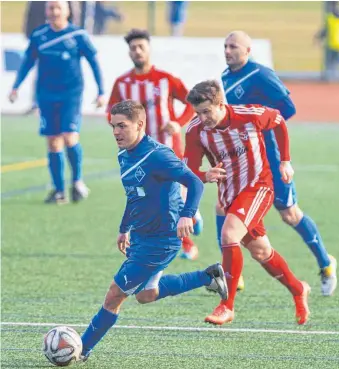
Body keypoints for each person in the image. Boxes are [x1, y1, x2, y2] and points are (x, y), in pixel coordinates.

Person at [79, 100, 228, 360]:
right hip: (140, 236)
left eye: (122, 126)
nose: (116, 132)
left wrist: (187, 215)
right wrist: (124, 228)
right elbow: (134, 195)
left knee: (114, 295)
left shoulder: (157, 154)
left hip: (161, 240)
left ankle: (80, 349)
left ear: (140, 125)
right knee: (147, 295)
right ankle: (209, 276)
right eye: (113, 126)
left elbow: (194, 183)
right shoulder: (124, 155)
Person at [219, 30, 337, 296]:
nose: (227, 51)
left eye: (233, 46)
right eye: (225, 46)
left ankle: (326, 263)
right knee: (224, 207)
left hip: (271, 158)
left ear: (247, 51)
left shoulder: (260, 74)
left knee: (289, 215)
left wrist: (265, 124)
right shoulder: (225, 77)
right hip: (246, 159)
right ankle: (232, 276)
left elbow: (289, 108)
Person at [183, 80, 310, 326]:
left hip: (259, 187)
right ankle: (298, 289)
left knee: (229, 235)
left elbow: (279, 121)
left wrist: (285, 161)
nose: (202, 117)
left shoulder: (250, 115)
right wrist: (205, 175)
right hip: (230, 195)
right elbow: (188, 172)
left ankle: (226, 305)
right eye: (198, 112)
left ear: (221, 104)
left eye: (206, 111)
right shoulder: (195, 130)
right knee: (261, 251)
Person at [107, 28, 203, 261]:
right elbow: (111, 113)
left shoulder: (165, 79)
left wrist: (178, 122)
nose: (137, 51)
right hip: (139, 154)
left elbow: (193, 103)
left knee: (172, 199)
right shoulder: (122, 83)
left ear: (149, 49)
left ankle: (188, 243)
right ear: (129, 52)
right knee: (152, 200)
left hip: (168, 149)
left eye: (141, 46)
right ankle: (191, 224)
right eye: (133, 48)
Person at [9, 1, 105, 204]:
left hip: (71, 94)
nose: (54, 12)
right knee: (53, 142)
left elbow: (94, 62)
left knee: (70, 137)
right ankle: (59, 191)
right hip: (46, 95)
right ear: (46, 11)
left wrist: (101, 91)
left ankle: (77, 181)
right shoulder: (39, 36)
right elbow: (27, 61)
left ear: (67, 11)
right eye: (50, 8)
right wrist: (16, 86)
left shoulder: (77, 36)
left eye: (58, 8)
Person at [314, 1, 339, 79]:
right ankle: (334, 74)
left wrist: (318, 37)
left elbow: (325, 30)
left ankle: (331, 76)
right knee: (336, 59)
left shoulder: (330, 18)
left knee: (331, 61)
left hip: (332, 43)